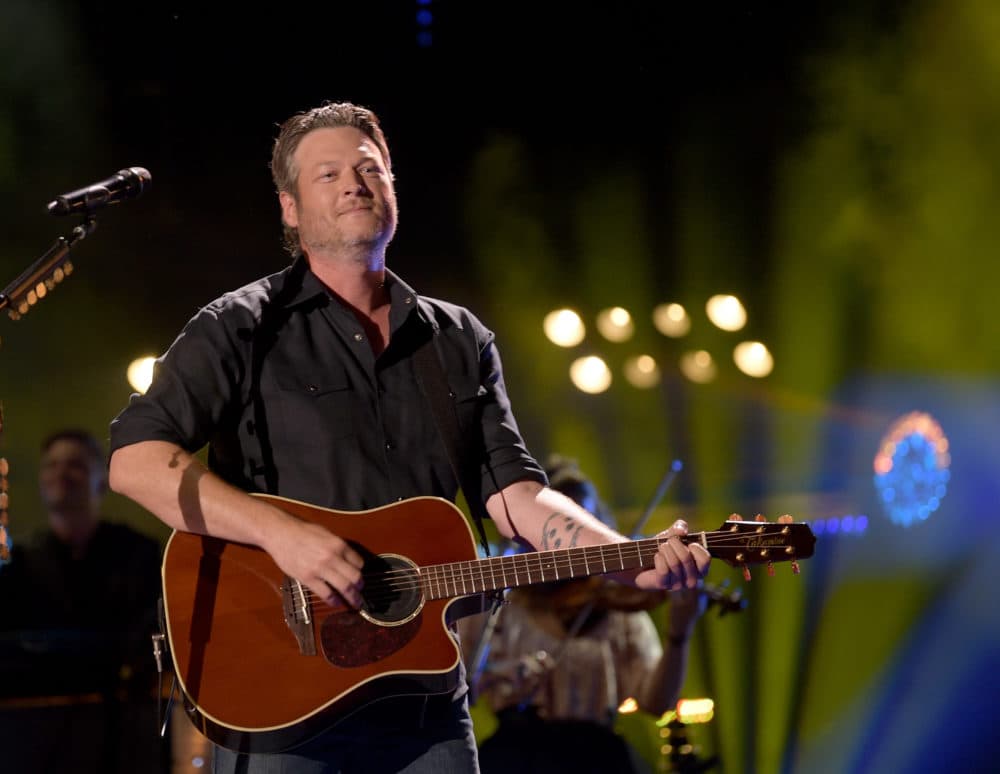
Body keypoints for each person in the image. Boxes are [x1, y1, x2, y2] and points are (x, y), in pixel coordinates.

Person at [106, 100, 712, 774]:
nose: (353, 184)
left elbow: (515, 495)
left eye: (370, 169)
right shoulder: (238, 326)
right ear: (289, 208)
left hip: (423, 707)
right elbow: (136, 463)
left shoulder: (455, 338)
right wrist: (281, 533)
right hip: (280, 701)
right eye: (328, 174)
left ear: (394, 188)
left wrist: (629, 556)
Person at [460, 455, 707, 774]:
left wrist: (680, 631)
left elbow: (656, 701)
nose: (571, 546)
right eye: (561, 531)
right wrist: (507, 672)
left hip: (595, 757)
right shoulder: (501, 604)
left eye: (583, 527)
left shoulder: (615, 608)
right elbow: (464, 684)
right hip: (516, 754)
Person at [0, 429, 165, 773]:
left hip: (125, 737)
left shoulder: (139, 554)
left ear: (101, 481)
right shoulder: (16, 567)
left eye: (75, 464)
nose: (61, 473)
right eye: (52, 465)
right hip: (38, 741)